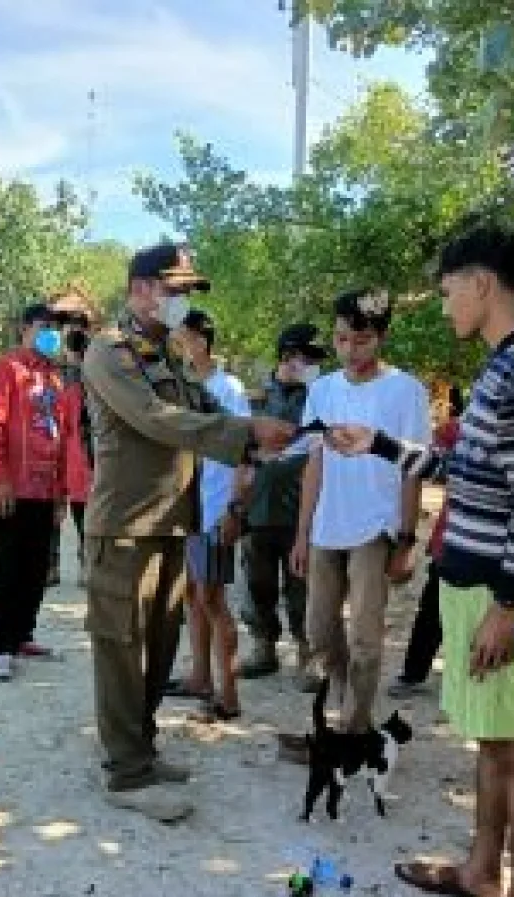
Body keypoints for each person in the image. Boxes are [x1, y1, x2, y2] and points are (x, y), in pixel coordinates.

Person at [327, 225, 514, 897]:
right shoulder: (500, 368)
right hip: (474, 586)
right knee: (494, 741)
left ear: (481, 283)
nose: (445, 307)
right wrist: (379, 445)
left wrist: (508, 605)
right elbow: (468, 473)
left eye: (448, 292)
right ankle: (481, 869)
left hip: (505, 596)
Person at [82, 242, 295, 823]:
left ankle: (142, 749)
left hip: (170, 522)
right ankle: (126, 773)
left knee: (158, 646)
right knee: (121, 650)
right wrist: (246, 435)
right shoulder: (109, 352)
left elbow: (204, 407)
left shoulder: (167, 352)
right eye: (175, 289)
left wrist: (260, 432)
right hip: (124, 528)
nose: (183, 301)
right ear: (141, 288)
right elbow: (160, 421)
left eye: (186, 291)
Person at [289, 289, 431, 731]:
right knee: (318, 630)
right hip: (326, 525)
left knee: (366, 636)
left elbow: (413, 470)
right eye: (341, 339)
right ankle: (346, 699)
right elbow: (314, 463)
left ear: (382, 336)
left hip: (376, 526)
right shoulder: (322, 390)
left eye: (362, 340)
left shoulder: (407, 391)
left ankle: (353, 727)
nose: (350, 350)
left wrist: (406, 541)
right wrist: (302, 533)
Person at [162, 311, 250, 719]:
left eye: (181, 337)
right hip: (189, 507)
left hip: (215, 507)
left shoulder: (227, 389)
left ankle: (229, 694)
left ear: (200, 340)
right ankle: (200, 677)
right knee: (193, 595)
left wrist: (234, 507)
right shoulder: (183, 386)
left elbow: (245, 452)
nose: (176, 344)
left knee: (212, 598)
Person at [0, 302, 69, 680]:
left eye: (56, 328)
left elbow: (61, 436)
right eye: (44, 326)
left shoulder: (54, 378)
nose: (52, 334)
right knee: (9, 567)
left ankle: (23, 636)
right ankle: (3, 646)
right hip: (12, 489)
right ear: (25, 328)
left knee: (36, 568)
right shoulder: (7, 369)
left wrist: (61, 491)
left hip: (45, 490)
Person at [239, 323, 327, 681]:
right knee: (257, 584)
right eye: (306, 357)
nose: (311, 365)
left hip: (303, 511)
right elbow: (241, 450)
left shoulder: (322, 397)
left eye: (315, 359)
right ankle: (263, 646)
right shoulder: (256, 398)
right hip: (258, 508)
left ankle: (308, 653)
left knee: (302, 587)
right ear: (287, 357)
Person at [388, 385, 465, 698]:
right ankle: (413, 674)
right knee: (433, 609)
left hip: (502, 547)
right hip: (452, 538)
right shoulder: (462, 428)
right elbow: (432, 452)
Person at [48, 294, 97, 587]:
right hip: (67, 454)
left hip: (83, 458)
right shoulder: (50, 359)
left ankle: (85, 560)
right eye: (65, 322)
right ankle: (52, 563)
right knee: (56, 508)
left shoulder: (95, 363)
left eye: (78, 323)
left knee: (85, 512)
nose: (71, 329)